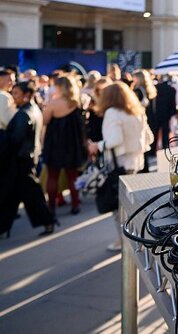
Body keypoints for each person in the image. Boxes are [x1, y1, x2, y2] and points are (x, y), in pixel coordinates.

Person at [89, 81, 153, 250]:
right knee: (127, 203)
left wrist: (98, 145)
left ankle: (124, 241)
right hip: (136, 162)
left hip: (120, 163)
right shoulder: (137, 112)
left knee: (119, 206)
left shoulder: (112, 113)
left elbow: (115, 140)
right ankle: (131, 238)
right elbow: (149, 139)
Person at [0, 80, 56, 237]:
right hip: (27, 158)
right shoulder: (32, 110)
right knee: (11, 195)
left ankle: (48, 222)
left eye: (16, 93)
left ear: (26, 96)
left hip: (22, 161)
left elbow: (15, 139)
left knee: (31, 195)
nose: (13, 96)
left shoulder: (23, 114)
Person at [41, 75, 88, 216]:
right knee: (72, 176)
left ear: (60, 87)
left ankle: (51, 208)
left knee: (53, 176)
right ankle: (75, 204)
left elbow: (44, 120)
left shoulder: (54, 103)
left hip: (55, 144)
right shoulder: (77, 102)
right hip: (72, 144)